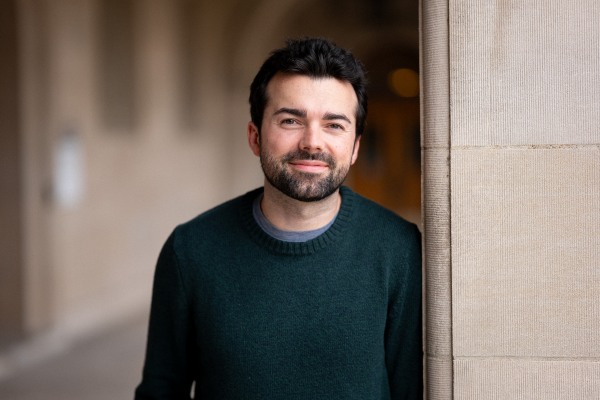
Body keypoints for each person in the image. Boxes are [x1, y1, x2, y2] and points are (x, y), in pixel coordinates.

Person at [134, 37, 422, 400]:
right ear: (255, 137)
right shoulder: (190, 250)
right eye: (290, 120)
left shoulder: (400, 249)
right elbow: (162, 390)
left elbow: (411, 390)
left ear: (355, 148)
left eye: (334, 125)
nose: (312, 142)